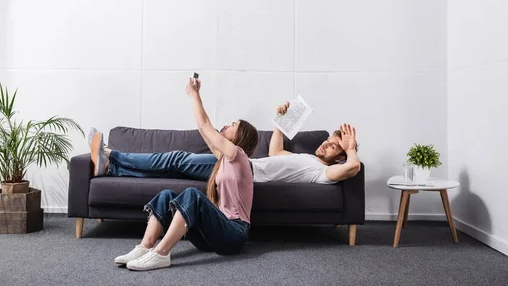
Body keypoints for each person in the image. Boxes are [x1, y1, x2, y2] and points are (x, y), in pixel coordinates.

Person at [99, 77, 259, 271]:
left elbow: (204, 125)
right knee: (167, 195)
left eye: (233, 124)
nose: (226, 125)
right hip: (212, 237)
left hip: (234, 233)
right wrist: (196, 96)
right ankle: (145, 247)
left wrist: (194, 94)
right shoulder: (223, 160)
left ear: (242, 136)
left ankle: (161, 253)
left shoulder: (239, 156)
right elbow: (204, 130)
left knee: (192, 195)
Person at [89, 102, 360, 185]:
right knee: (174, 165)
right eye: (327, 140)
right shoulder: (308, 159)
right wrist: (280, 122)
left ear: (339, 157)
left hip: (244, 173)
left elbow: (352, 169)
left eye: (332, 146)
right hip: (245, 168)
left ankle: (112, 155)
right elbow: (276, 151)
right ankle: (112, 169)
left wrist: (350, 149)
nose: (325, 145)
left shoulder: (323, 172)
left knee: (176, 159)